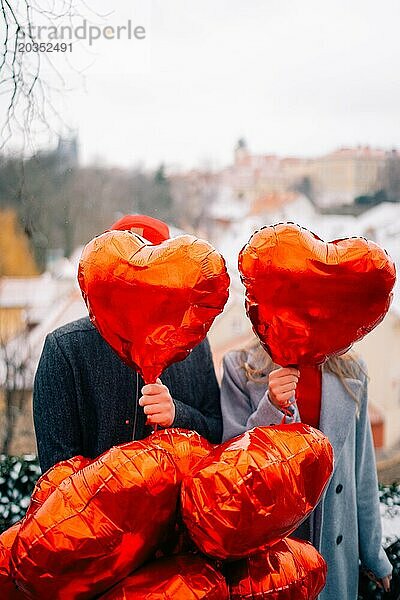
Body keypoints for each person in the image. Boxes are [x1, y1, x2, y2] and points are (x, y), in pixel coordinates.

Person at [33, 215, 222, 474]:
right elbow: (56, 468)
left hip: (179, 512)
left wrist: (177, 414)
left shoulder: (195, 347)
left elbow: (216, 434)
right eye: (129, 280)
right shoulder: (66, 349)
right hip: (94, 513)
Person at [221, 339, 392, 600]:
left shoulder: (350, 368)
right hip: (273, 560)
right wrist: (272, 407)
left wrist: (373, 554)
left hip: (335, 554)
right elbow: (232, 466)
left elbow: (362, 471)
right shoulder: (240, 366)